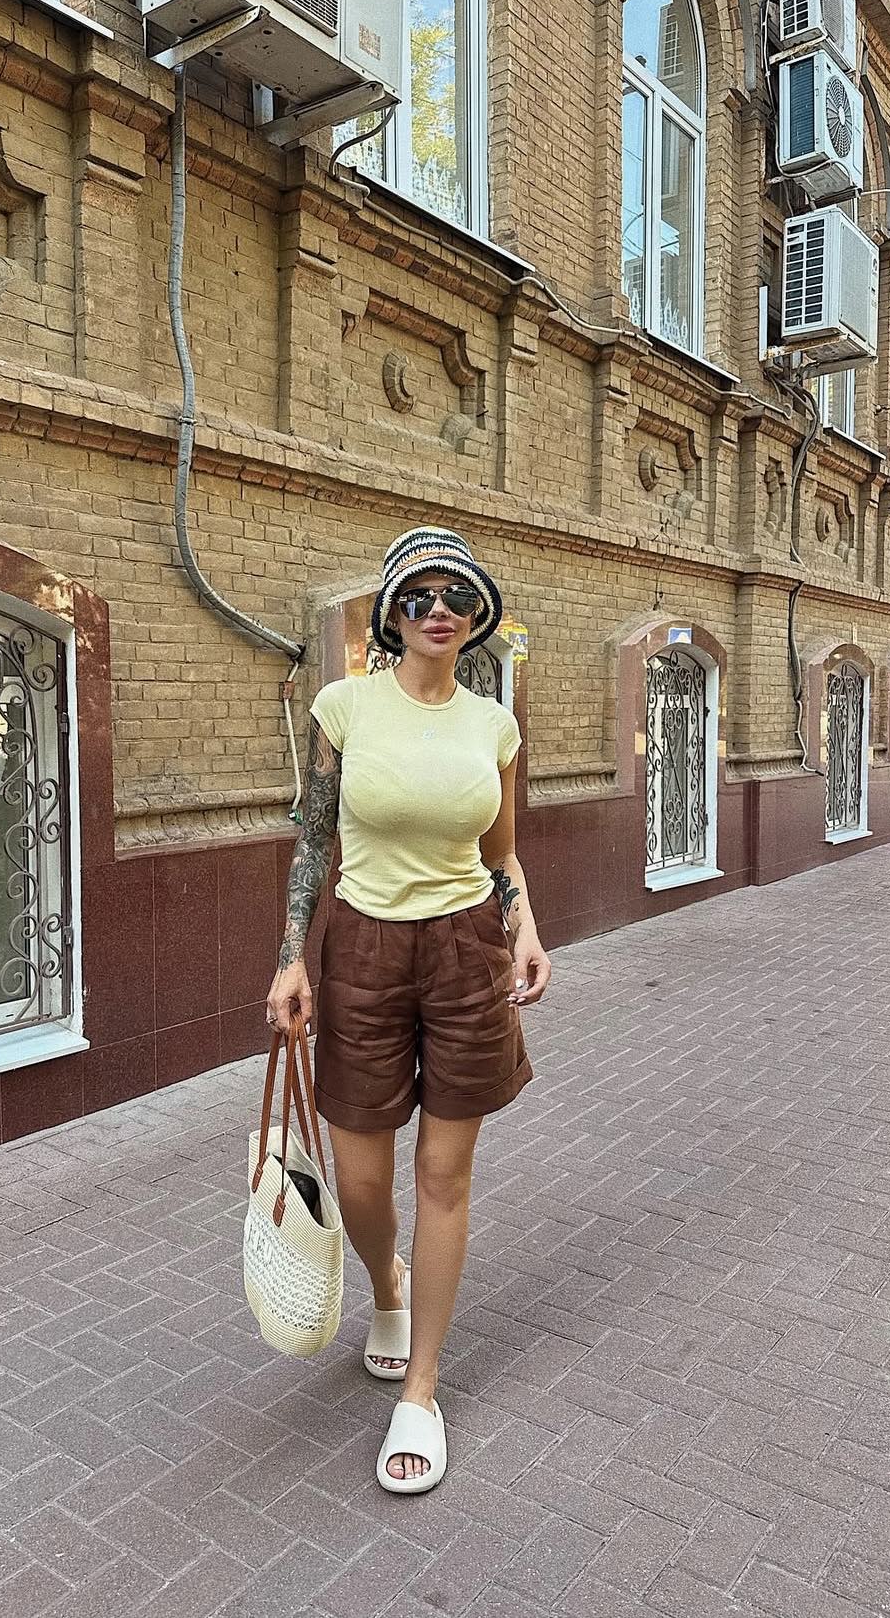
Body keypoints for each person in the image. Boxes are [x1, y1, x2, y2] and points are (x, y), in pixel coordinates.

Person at [266, 526, 552, 1496]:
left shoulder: (493, 726)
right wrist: (290, 957)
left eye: (457, 596)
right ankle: (386, 1281)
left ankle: (422, 1389)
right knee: (360, 1176)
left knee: (443, 1172)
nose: (440, 609)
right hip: (363, 949)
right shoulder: (344, 706)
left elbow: (500, 852)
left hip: (468, 952)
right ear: (393, 611)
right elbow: (313, 840)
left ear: (477, 617)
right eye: (421, 594)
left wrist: (525, 927)